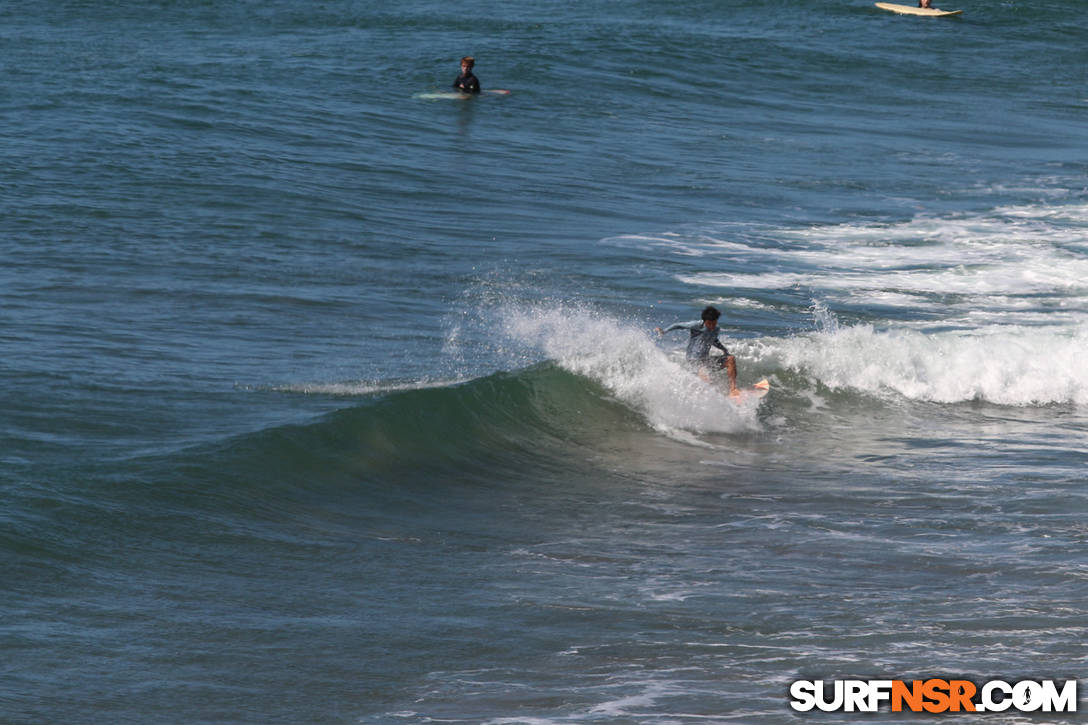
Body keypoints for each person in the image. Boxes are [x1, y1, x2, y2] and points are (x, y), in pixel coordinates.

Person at [655, 306, 739, 394]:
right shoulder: (697, 325)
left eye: (713, 323)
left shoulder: (716, 329)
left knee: (730, 359)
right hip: (693, 360)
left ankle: (733, 389)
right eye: (709, 324)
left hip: (705, 359)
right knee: (707, 379)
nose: (711, 326)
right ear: (704, 321)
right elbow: (678, 325)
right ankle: (710, 396)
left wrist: (724, 349)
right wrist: (664, 331)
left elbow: (713, 340)